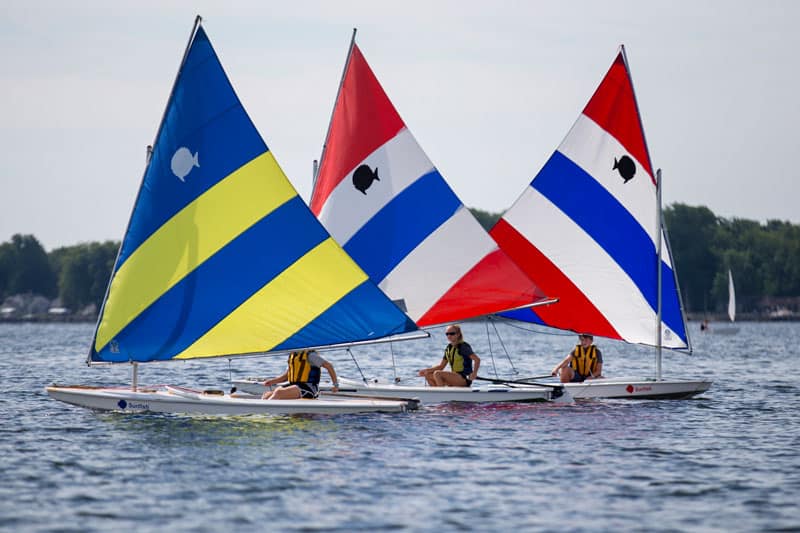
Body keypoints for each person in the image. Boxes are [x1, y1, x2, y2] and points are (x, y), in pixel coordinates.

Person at [261, 349, 339, 400]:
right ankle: (262, 410)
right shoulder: (294, 355)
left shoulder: (311, 356)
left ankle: (265, 411)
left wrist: (335, 385)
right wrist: (271, 382)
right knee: (266, 395)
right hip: (296, 386)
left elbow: (329, 366)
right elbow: (287, 376)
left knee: (279, 393)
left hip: (309, 389)